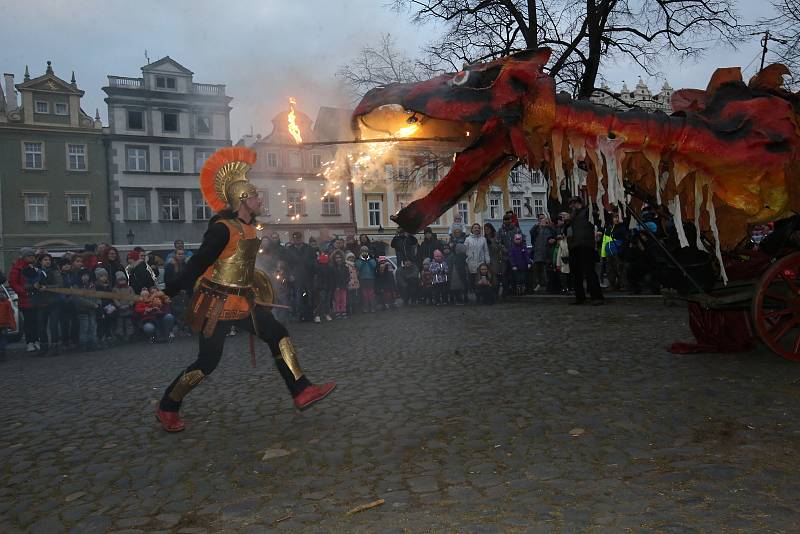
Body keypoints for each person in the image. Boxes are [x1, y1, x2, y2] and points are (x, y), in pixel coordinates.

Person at [156, 147, 335, 432]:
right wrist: (168, 291)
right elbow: (197, 264)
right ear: (242, 200)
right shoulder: (222, 229)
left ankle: (302, 390)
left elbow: (244, 268)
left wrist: (260, 290)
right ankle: (168, 406)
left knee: (278, 333)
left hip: (243, 302)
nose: (259, 199)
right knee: (208, 361)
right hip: (215, 304)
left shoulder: (251, 228)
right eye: (254, 196)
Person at [565, 196, 604, 304]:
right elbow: (567, 231)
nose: (571, 206)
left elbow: (598, 219)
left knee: (589, 272)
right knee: (576, 273)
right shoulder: (572, 217)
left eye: (573, 204)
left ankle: (596, 297)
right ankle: (580, 297)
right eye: (570, 204)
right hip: (574, 246)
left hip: (586, 245)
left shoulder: (587, 212)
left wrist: (600, 230)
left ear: (578, 203)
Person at [9, 247, 39, 352]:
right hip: (26, 298)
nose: (32, 258)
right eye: (29, 256)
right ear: (24, 257)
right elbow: (13, 282)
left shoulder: (35, 267)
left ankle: (36, 340)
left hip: (37, 297)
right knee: (29, 322)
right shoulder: (18, 268)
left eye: (33, 256)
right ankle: (30, 342)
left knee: (37, 320)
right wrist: (23, 292)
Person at [36, 254, 63, 354]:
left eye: (49, 260)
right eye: (45, 260)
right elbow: (28, 284)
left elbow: (59, 285)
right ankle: (44, 347)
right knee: (41, 326)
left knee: (53, 325)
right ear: (40, 261)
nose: (47, 262)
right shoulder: (37, 272)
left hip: (53, 301)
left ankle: (55, 347)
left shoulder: (55, 272)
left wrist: (47, 287)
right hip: (41, 301)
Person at [530, 214, 556, 292]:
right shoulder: (537, 228)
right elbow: (531, 232)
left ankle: (546, 285)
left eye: (544, 219)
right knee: (536, 270)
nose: (543, 221)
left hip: (547, 252)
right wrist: (537, 225)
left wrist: (549, 226)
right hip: (538, 252)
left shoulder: (549, 229)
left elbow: (554, 234)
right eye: (541, 219)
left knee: (546, 270)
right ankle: (537, 284)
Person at [465, 223, 489, 296]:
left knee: (480, 279)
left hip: (480, 262)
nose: (476, 229)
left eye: (478, 228)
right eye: (475, 228)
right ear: (472, 229)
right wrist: (467, 258)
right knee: (472, 279)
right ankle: (473, 295)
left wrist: (487, 260)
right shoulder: (468, 239)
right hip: (471, 262)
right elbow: (465, 250)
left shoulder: (483, 239)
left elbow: (486, 250)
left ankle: (480, 295)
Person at [112, 271, 135, 341]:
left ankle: (129, 335)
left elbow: (133, 297)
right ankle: (120, 335)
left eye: (123, 280)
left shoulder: (130, 288)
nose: (122, 282)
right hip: (120, 309)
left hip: (128, 309)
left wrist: (129, 304)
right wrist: (119, 306)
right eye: (120, 280)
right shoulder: (115, 289)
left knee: (129, 323)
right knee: (120, 323)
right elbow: (114, 298)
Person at [355, 246, 377, 313]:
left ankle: (372, 307)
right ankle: (366, 307)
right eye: (363, 251)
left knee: (371, 293)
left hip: (370, 278)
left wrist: (368, 260)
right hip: (362, 278)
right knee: (364, 294)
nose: (364, 253)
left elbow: (374, 266)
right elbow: (358, 267)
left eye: (366, 251)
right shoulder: (358, 260)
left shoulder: (371, 259)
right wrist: (362, 260)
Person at [313, 252, 334, 323]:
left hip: (328, 286)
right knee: (321, 301)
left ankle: (326, 314)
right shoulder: (318, 268)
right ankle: (317, 315)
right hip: (321, 287)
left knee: (326, 301)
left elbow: (331, 278)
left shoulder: (329, 268)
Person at [331, 251, 349, 319]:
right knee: (337, 300)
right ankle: (337, 311)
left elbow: (347, 276)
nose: (338, 259)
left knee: (343, 299)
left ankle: (343, 311)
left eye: (339, 257)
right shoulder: (332, 267)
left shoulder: (345, 267)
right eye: (336, 258)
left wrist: (345, 283)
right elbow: (332, 278)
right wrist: (336, 286)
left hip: (343, 286)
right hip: (336, 287)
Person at [345, 251, 360, 316]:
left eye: (352, 257)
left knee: (354, 296)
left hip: (355, 282)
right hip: (349, 282)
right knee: (349, 297)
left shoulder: (355, 265)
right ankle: (348, 310)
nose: (351, 259)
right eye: (350, 257)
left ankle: (354, 309)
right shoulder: (346, 265)